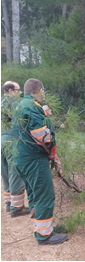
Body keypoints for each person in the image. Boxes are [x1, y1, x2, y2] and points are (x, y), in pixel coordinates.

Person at [12, 78, 67, 245]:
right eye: (43, 91)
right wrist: (51, 136)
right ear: (40, 90)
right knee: (44, 194)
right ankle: (44, 235)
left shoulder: (22, 104)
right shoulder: (32, 106)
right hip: (34, 159)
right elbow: (41, 135)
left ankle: (42, 228)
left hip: (22, 158)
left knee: (35, 194)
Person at [1, 81, 31, 217]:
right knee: (15, 172)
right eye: (18, 90)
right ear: (11, 90)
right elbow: (22, 120)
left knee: (5, 172)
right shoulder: (13, 102)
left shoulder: (1, 102)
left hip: (1, 140)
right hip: (11, 139)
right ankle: (17, 208)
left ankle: (9, 204)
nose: (20, 93)